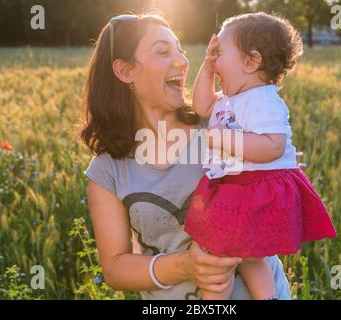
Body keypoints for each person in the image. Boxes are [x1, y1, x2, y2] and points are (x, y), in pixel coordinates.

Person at [81, 13, 291, 300]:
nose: (182, 61)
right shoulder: (107, 170)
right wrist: (186, 266)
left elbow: (277, 173)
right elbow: (116, 268)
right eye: (163, 52)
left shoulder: (222, 122)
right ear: (125, 71)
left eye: (179, 49)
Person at [184, 12, 337, 300]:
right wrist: (206, 67)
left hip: (258, 187)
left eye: (220, 53)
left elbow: (272, 147)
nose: (215, 59)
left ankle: (220, 299)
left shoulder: (263, 100)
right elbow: (202, 107)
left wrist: (223, 138)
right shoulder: (227, 99)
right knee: (245, 254)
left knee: (222, 251)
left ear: (250, 61)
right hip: (238, 186)